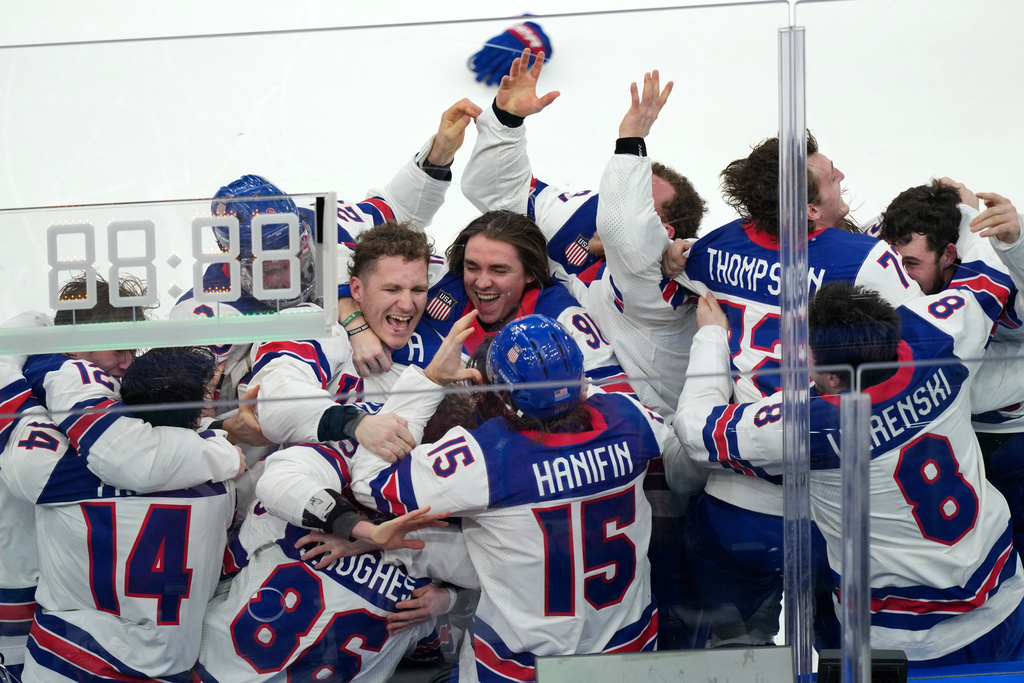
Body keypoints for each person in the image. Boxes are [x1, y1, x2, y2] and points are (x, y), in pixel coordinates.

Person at [660, 128, 929, 646]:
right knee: (838, 650)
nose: (842, 175)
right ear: (807, 210)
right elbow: (919, 352)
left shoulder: (716, 246)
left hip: (731, 500)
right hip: (826, 506)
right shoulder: (866, 260)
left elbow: (672, 268)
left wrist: (671, 254)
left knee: (731, 652)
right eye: (831, 176)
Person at [676, 282, 1024, 667]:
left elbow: (694, 430)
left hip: (909, 641)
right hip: (1004, 595)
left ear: (834, 379)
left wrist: (710, 335)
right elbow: (993, 286)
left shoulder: (811, 426)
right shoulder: (936, 331)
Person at [349, 312, 672, 682]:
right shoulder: (630, 420)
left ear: (498, 392)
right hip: (629, 655)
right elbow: (597, 399)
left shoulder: (489, 458)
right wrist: (557, 380)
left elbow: (370, 482)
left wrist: (428, 380)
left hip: (522, 667)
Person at [7, 346, 240, 681]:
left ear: (121, 394)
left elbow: (10, 402)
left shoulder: (58, 473)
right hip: (166, 666)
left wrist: (47, 353)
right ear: (203, 407)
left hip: (65, 663)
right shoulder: (222, 484)